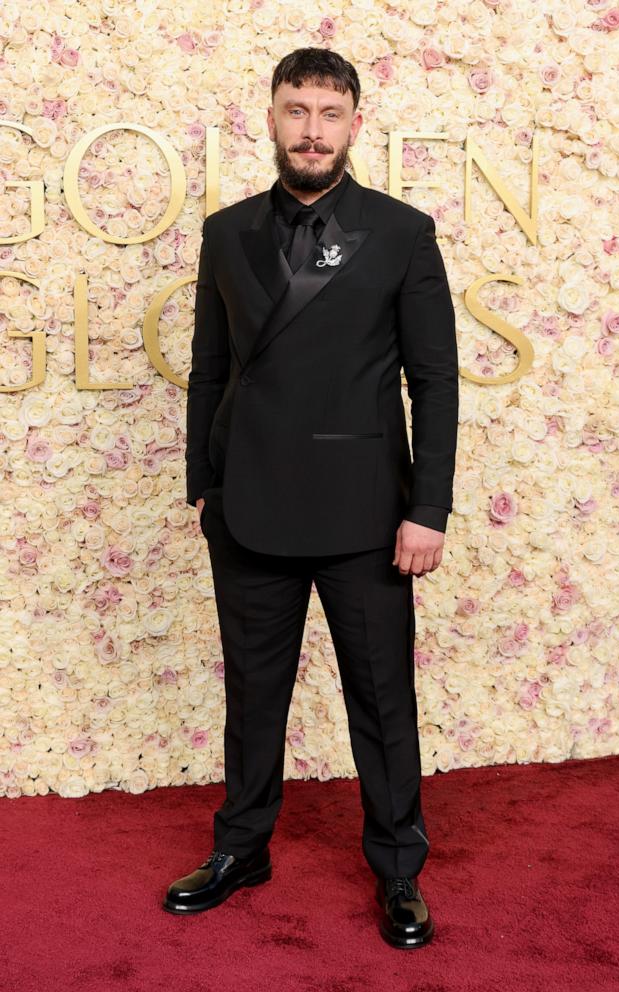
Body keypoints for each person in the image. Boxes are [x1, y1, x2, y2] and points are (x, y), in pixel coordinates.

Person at [163, 47, 458, 950]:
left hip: (366, 511)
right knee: (252, 695)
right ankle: (241, 848)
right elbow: (210, 369)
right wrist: (202, 488)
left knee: (381, 696)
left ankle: (398, 869)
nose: (312, 130)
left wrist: (428, 508)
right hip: (247, 504)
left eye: (330, 114)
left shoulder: (402, 231)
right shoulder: (225, 232)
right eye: (297, 111)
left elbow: (434, 380)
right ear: (271, 117)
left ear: (356, 125)